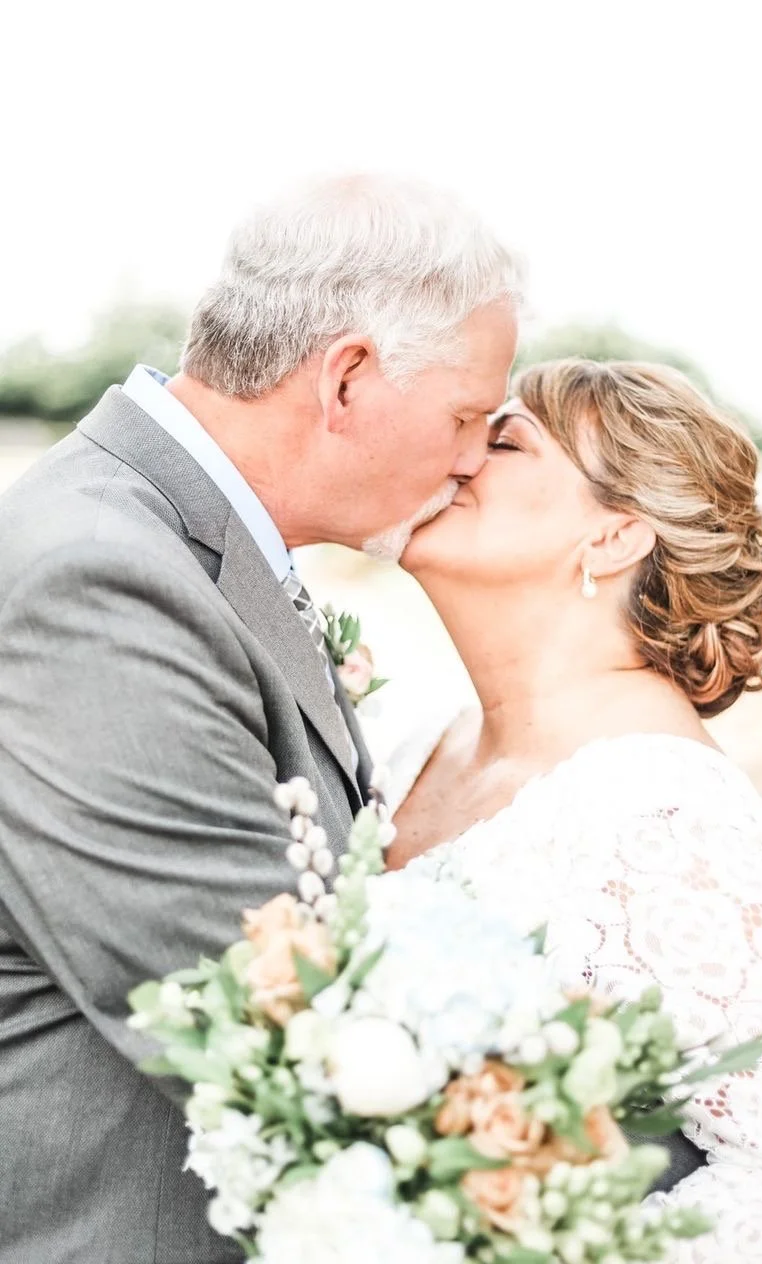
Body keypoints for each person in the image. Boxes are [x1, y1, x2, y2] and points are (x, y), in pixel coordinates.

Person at [0, 175, 521, 1264]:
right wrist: (618, 1176)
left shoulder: (173, 541)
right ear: (347, 379)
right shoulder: (97, 578)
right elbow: (253, 1004)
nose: (474, 456)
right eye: (467, 415)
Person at [387, 358, 762, 1261]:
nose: (456, 452)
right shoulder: (414, 744)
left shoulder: (671, 823)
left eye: (505, 441)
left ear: (612, 538)